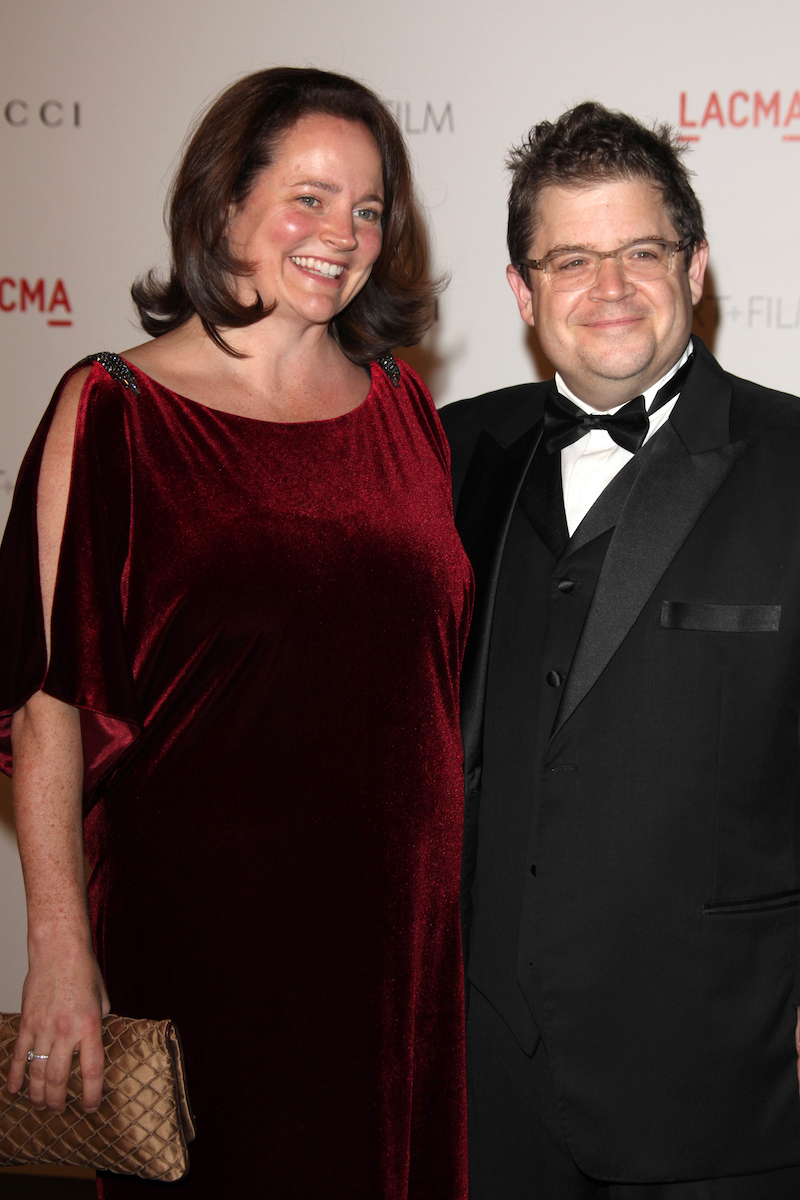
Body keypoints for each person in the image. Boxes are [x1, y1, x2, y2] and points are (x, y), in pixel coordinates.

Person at [0, 67, 472, 1199]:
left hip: (403, 937)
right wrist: (59, 942)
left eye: (367, 209)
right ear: (223, 208)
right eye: (307, 197)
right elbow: (45, 700)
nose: (341, 234)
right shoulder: (114, 409)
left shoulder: (403, 406)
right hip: (208, 935)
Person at [439, 101, 800, 1198]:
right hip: (482, 1079)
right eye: (568, 259)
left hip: (718, 1074)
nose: (606, 289)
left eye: (639, 251)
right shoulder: (445, 451)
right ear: (520, 290)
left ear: (692, 268)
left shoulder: (791, 460)